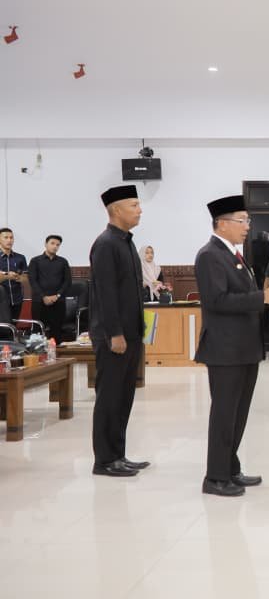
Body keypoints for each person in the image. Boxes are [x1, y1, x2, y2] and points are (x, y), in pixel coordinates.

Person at [194, 195, 269, 497]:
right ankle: (215, 478)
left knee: (238, 414)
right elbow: (217, 301)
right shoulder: (210, 255)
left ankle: (230, 468)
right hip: (225, 348)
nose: (247, 226)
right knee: (225, 414)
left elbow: (247, 297)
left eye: (247, 221)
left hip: (244, 347)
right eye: (242, 221)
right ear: (222, 224)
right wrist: (263, 297)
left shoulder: (234, 254)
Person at [89, 186, 147, 477]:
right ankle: (104, 460)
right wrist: (115, 333)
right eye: (134, 205)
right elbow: (106, 294)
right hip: (114, 336)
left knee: (124, 398)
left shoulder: (126, 242)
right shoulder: (105, 244)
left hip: (131, 333)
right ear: (116, 210)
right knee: (109, 398)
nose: (139, 210)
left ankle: (118, 455)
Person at [27, 235, 72, 342]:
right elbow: (33, 281)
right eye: (52, 243)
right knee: (38, 333)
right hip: (39, 301)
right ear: (46, 244)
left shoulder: (63, 262)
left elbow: (67, 281)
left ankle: (56, 351)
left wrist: (57, 295)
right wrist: (44, 296)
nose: (55, 246)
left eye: (58, 245)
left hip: (58, 301)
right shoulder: (35, 261)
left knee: (56, 333)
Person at [0, 227, 28, 322]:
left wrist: (18, 277)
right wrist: (7, 276)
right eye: (6, 237)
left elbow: (25, 278)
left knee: (13, 327)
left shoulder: (20, 258)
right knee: (3, 327)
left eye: (11, 237)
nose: (9, 240)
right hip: (1, 301)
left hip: (17, 300)